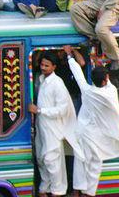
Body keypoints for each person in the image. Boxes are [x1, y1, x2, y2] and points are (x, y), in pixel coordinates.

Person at [64, 48, 119, 197]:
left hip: (83, 134)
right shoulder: (111, 92)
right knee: (94, 167)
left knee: (80, 164)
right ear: (105, 80)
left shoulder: (87, 91)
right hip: (97, 137)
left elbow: (78, 74)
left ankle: (76, 193)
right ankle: (89, 194)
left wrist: (69, 56)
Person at [28, 51, 84, 197]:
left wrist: (40, 110)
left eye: (47, 65)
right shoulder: (40, 79)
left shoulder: (57, 83)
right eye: (42, 64)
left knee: (52, 160)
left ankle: (57, 192)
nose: (43, 67)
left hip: (53, 128)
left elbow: (62, 110)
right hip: (42, 126)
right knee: (41, 158)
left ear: (54, 67)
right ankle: (43, 189)